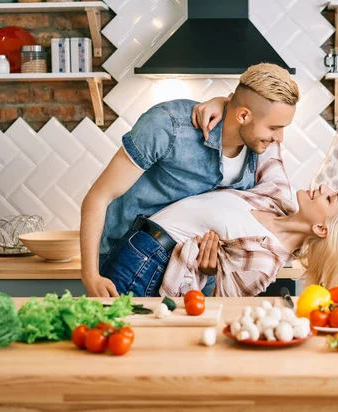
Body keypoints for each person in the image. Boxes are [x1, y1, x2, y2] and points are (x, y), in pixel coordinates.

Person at [80, 63, 300, 297]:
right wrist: (90, 274)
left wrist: (213, 267)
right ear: (244, 115)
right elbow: (98, 197)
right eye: (275, 127)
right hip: (131, 263)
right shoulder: (168, 126)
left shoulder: (260, 150)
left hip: (192, 277)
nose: (279, 138)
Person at [102, 140, 338, 297]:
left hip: (147, 269)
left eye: (331, 198)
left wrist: (208, 274)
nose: (324, 187)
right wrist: (222, 103)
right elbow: (270, 140)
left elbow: (217, 310)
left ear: (321, 228)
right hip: (133, 248)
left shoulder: (264, 262)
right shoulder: (277, 198)